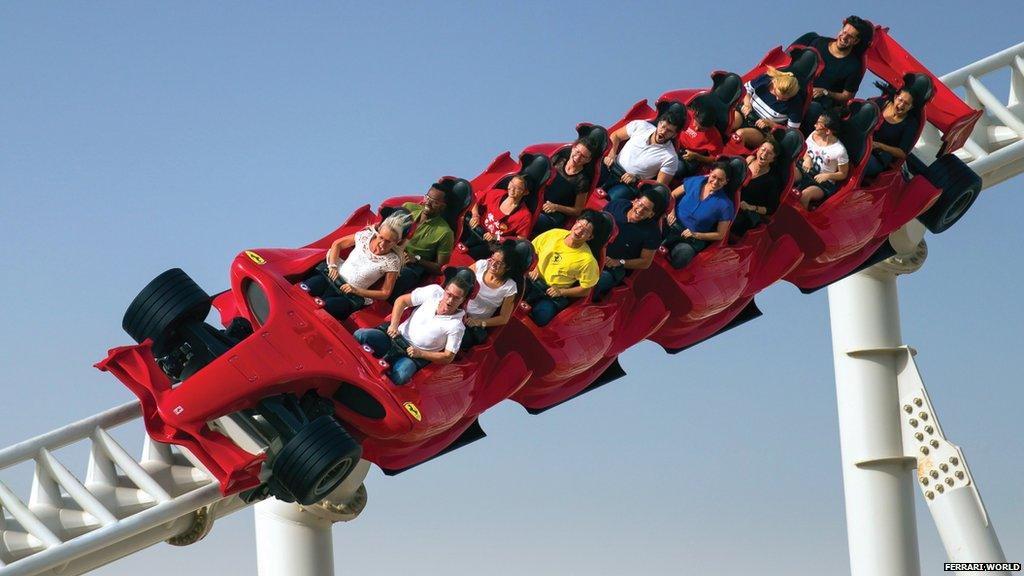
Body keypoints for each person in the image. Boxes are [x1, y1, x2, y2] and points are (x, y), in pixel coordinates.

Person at [353, 270, 474, 385]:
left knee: (402, 375)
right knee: (361, 335)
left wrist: (421, 353)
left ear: (462, 300)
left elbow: (448, 357)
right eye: (449, 295)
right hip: (395, 337)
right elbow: (402, 301)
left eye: (456, 298)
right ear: (445, 290)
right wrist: (394, 325)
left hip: (413, 354)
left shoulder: (457, 326)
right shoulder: (433, 292)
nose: (450, 300)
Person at [299, 211, 410, 320]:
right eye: (381, 238)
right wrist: (332, 266)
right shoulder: (365, 236)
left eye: (388, 242)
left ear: (397, 242)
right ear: (378, 232)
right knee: (303, 289)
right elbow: (337, 244)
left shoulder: (393, 261)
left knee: (323, 307)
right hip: (331, 278)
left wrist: (356, 290)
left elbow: (385, 293)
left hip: (348, 295)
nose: (382, 244)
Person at [525, 210, 603, 326]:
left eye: (585, 231)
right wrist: (534, 267)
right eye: (579, 225)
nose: (579, 231)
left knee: (541, 316)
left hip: (550, 294)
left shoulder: (588, 261)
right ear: (575, 222)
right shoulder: (554, 233)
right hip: (531, 279)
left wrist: (561, 291)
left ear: (590, 237)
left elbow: (586, 290)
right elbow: (531, 250)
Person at [792, 15, 874, 124]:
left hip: (820, 103)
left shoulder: (854, 66)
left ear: (856, 41)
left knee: (814, 109)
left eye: (849, 36)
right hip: (798, 89)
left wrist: (825, 92)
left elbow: (847, 95)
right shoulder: (818, 42)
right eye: (844, 32)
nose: (844, 37)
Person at [593, 184, 666, 301]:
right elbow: (597, 220)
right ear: (635, 201)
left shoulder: (652, 234)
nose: (640, 210)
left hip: (611, 267)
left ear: (651, 214)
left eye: (646, 209)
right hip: (592, 251)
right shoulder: (617, 204)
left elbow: (645, 262)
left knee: (599, 280)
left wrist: (619, 262)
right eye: (640, 204)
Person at [602, 106, 685, 201]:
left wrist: (636, 178)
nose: (663, 131)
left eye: (669, 131)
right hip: (611, 167)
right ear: (659, 123)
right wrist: (611, 154)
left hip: (629, 184)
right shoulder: (641, 126)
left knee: (611, 198)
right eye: (663, 126)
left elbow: (658, 188)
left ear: (674, 135)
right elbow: (616, 136)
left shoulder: (670, 157)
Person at [460, 240, 529, 351]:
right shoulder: (482, 265)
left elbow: (504, 318)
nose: (493, 264)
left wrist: (480, 323)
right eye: (493, 259)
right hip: (457, 308)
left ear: (508, 267)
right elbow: (459, 281)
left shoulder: (510, 287)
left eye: (499, 263)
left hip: (470, 323)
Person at [663, 162, 735, 269]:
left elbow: (720, 234)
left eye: (720, 180)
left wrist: (696, 234)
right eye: (714, 177)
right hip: (671, 225)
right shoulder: (696, 181)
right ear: (710, 173)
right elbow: (672, 195)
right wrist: (671, 212)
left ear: (726, 182)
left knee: (684, 254)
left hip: (690, 239)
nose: (715, 182)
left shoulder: (725, 205)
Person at [391, 181, 456, 299]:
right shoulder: (408, 208)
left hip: (411, 266)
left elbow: (440, 268)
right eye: (427, 197)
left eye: (435, 202)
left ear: (443, 206)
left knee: (397, 278)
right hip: (391, 249)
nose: (428, 203)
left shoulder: (445, 232)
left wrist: (415, 260)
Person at [532, 136, 602, 236]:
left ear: (588, 160)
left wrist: (556, 207)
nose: (577, 158)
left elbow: (578, 210)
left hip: (553, 214)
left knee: (533, 217)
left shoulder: (582, 181)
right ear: (573, 148)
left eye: (583, 156)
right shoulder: (558, 159)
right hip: (537, 201)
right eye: (577, 152)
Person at [463, 174, 533, 259]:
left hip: (491, 244)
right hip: (476, 229)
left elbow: (521, 240)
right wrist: (475, 215)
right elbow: (475, 199)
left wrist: (497, 237)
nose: (512, 188)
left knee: (470, 256)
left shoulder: (525, 215)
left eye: (518, 188)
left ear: (525, 192)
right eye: (511, 183)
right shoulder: (496, 194)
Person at [734, 67, 803, 149]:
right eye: (776, 94)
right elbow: (746, 89)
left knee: (740, 134)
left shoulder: (795, 103)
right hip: (744, 113)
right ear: (774, 83)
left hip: (761, 130)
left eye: (784, 99)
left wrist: (771, 124)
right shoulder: (765, 79)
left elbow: (791, 132)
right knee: (731, 122)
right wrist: (747, 104)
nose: (778, 99)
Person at [864, 83, 922, 179]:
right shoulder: (881, 103)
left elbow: (902, 152)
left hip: (878, 155)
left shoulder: (910, 124)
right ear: (895, 97)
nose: (901, 105)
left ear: (911, 107)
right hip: (861, 145)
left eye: (906, 103)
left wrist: (879, 145)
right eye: (900, 100)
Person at [797, 110, 849, 209]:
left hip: (822, 183)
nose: (814, 126)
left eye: (818, 124)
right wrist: (807, 158)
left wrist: (828, 175)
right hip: (805, 170)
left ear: (828, 131)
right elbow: (806, 152)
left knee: (804, 195)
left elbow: (843, 174)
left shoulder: (840, 150)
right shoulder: (814, 135)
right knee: (789, 174)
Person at [732, 138, 784, 235]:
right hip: (731, 200)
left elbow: (771, 208)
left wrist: (751, 207)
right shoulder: (749, 160)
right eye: (763, 149)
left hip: (744, 211)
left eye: (769, 153)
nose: (764, 154)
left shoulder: (773, 180)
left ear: (773, 159)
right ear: (758, 149)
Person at [677, 100, 725, 177]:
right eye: (695, 124)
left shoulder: (715, 137)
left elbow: (714, 159)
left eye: (701, 129)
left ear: (709, 128)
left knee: (679, 168)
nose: (696, 129)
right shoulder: (687, 114)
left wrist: (696, 156)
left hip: (690, 158)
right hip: (673, 145)